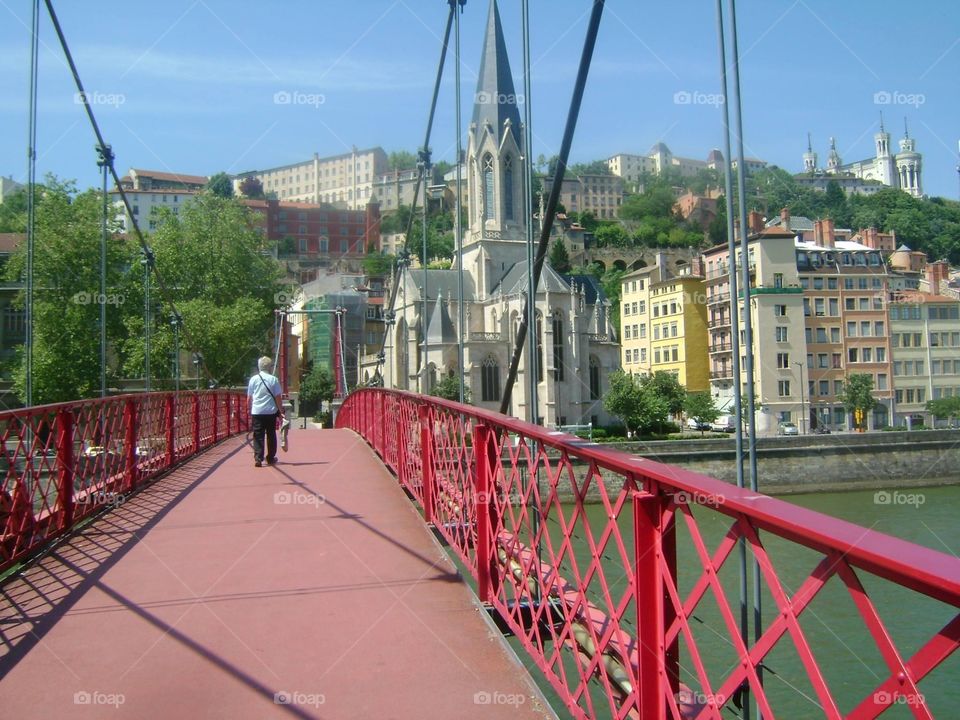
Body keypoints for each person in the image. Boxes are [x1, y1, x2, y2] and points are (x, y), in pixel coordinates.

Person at [247, 356, 283, 467]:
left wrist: (249, 409)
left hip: (257, 411)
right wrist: (280, 411)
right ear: (270, 367)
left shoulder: (253, 379)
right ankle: (270, 457)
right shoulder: (273, 379)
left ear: (259, 367)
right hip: (270, 412)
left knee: (258, 435)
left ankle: (258, 458)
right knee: (271, 434)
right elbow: (278, 397)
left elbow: (249, 398)